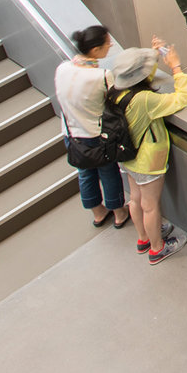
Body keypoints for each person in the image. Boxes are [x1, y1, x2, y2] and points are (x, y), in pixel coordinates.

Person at [112, 42, 187, 263]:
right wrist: (176, 67)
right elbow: (181, 99)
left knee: (136, 200)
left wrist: (154, 58)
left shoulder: (115, 91)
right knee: (150, 206)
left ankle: (143, 239)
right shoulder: (144, 100)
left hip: (126, 156)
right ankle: (157, 248)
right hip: (147, 161)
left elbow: (140, 80)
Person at [55, 24, 126, 229]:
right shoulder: (101, 76)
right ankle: (119, 213)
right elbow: (114, 100)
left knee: (85, 173)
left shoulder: (63, 68)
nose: (110, 45)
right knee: (108, 171)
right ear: (95, 50)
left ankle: (98, 212)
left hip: (71, 133)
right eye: (107, 43)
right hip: (96, 135)